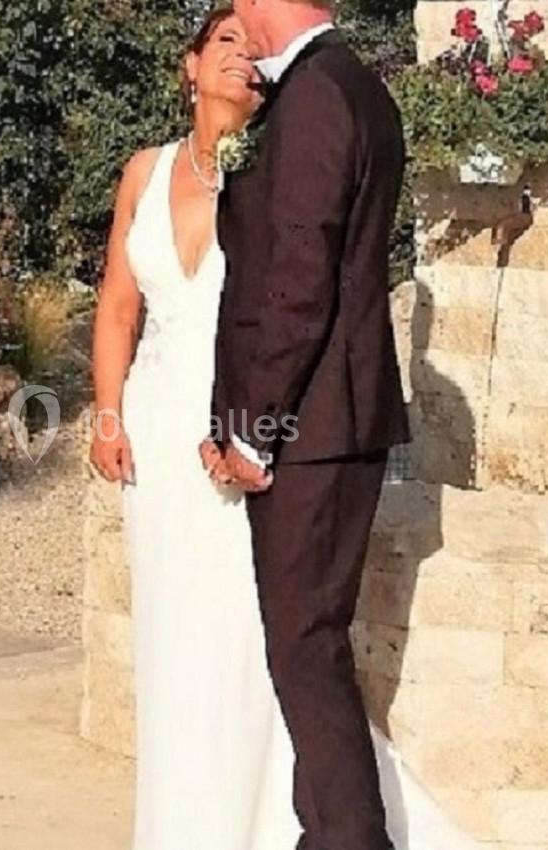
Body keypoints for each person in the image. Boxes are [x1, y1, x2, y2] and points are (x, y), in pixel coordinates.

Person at [90, 5, 475, 850]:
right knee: (265, 641)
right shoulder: (337, 90)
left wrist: (251, 432)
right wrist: (111, 414)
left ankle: (330, 833)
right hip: (195, 423)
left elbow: (297, 287)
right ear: (187, 66)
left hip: (285, 424)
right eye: (216, 40)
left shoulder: (310, 103)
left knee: (291, 645)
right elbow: (124, 304)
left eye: (243, 27)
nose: (240, 44)